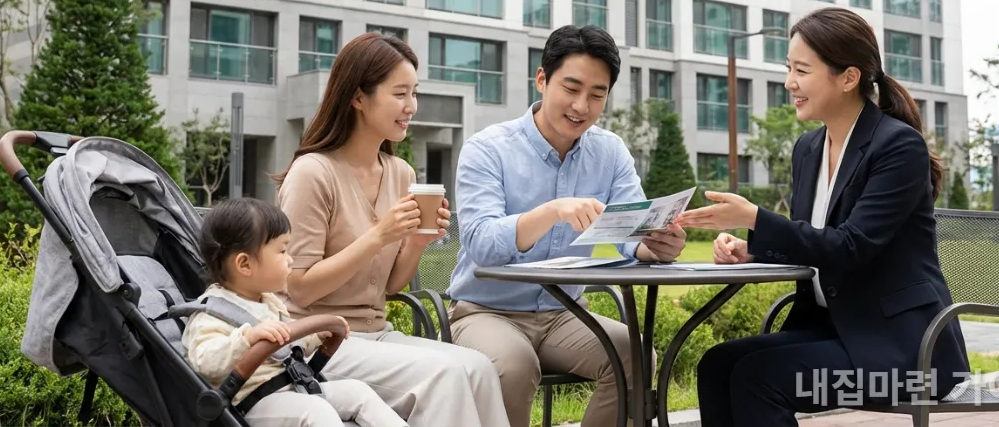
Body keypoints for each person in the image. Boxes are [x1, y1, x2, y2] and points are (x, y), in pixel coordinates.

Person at [676, 7, 970, 426]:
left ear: (848, 77)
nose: (789, 82)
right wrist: (752, 249)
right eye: (789, 68)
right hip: (838, 331)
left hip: (904, 356)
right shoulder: (808, 148)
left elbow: (851, 246)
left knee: (758, 377)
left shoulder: (899, 147)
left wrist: (757, 219)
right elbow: (813, 242)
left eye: (802, 70)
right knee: (717, 365)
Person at [447, 25, 688, 427]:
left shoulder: (609, 152)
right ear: (542, 79)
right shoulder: (487, 149)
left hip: (565, 313)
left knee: (636, 356)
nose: (582, 106)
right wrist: (552, 211)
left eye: (597, 94)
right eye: (571, 88)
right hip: (485, 312)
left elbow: (630, 232)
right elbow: (482, 244)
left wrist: (654, 244)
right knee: (514, 364)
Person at [273, 32, 510, 427]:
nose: (411, 106)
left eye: (414, 93)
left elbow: (390, 288)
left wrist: (418, 241)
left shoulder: (401, 174)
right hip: (319, 341)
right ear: (358, 97)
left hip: (377, 334)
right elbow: (298, 286)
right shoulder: (313, 173)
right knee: (445, 375)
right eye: (400, 94)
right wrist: (380, 235)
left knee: (479, 369)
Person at [184, 197, 407, 427]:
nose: (290, 260)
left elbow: (287, 344)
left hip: (290, 387)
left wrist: (316, 336)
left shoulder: (267, 301)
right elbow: (206, 361)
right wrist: (246, 339)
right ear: (245, 264)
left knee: (357, 391)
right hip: (251, 403)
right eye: (282, 251)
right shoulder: (211, 313)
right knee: (316, 411)